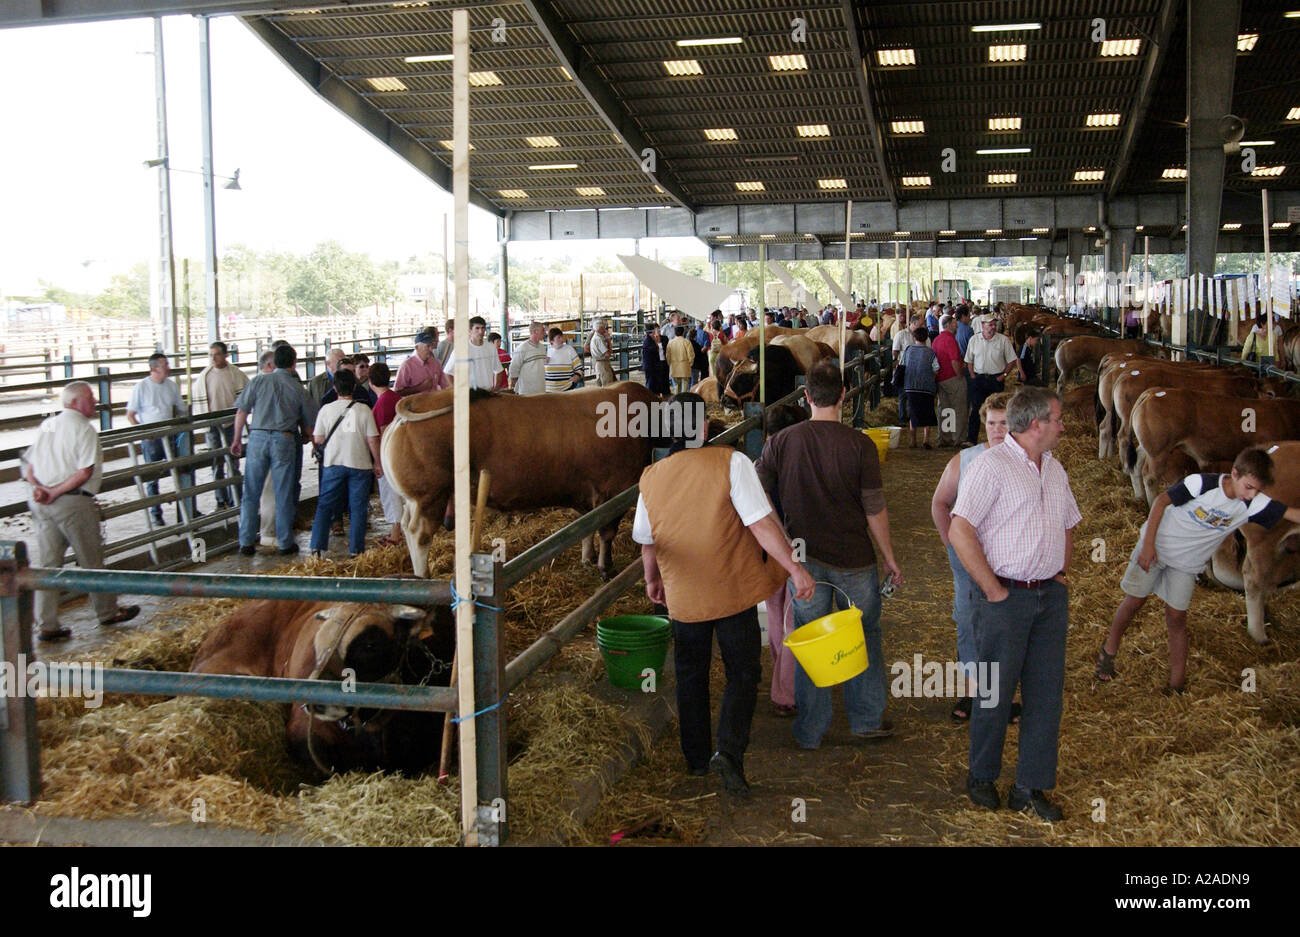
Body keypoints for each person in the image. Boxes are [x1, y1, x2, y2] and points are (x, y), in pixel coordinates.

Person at [634, 393, 815, 796]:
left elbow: (648, 542)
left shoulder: (651, 477)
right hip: (732, 591)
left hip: (684, 595)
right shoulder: (730, 462)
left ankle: (696, 759)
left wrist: (653, 581)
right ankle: (729, 752)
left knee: (690, 675)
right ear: (701, 428)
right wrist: (796, 568)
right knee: (743, 673)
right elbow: (761, 525)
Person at [756, 360, 903, 748]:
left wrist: (781, 535)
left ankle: (811, 729)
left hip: (803, 560)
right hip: (855, 558)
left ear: (806, 396)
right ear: (843, 394)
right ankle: (867, 719)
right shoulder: (860, 445)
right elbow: (874, 508)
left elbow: (756, 493)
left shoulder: (781, 443)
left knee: (810, 639)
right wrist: (889, 556)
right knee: (864, 634)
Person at [949, 387, 1080, 821]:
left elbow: (1067, 523)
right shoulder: (991, 466)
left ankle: (1030, 787)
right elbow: (960, 530)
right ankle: (982, 775)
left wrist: (1060, 573)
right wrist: (992, 589)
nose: (1063, 426)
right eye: (1058, 418)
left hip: (1049, 598)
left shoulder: (1055, 470)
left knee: (1046, 697)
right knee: (994, 693)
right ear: (1037, 423)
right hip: (1006, 597)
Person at [1098, 447, 1300, 694]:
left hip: (1186, 564)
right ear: (1234, 473)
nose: (1251, 495)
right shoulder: (1201, 484)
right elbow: (1162, 501)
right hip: (1157, 548)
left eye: (1257, 490)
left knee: (1177, 618)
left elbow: (1291, 513)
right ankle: (1108, 653)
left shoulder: (1253, 504)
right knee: (1134, 602)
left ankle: (1176, 685)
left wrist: (1254, 497)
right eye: (1248, 487)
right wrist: (1148, 545)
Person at [23, 381, 140, 642]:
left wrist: (40, 489)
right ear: (75, 402)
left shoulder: (47, 425)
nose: (96, 401)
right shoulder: (83, 429)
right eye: (90, 398)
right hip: (73, 502)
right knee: (91, 560)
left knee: (48, 564)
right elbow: (84, 471)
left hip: (43, 504)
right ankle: (107, 612)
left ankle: (46, 624)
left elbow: (29, 466)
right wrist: (54, 492)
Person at [930, 392, 1012, 721]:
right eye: (991, 423)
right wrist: (950, 543)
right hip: (970, 558)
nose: (997, 430)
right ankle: (971, 692)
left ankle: (1003, 695)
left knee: (1006, 625)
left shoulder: (1025, 462)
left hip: (1009, 561)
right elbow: (939, 503)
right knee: (968, 621)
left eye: (1004, 422)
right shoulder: (964, 461)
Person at [231, 343, 312, 557]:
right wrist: (307, 437)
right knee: (283, 492)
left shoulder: (258, 381)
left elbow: (241, 411)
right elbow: (308, 425)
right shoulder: (297, 389)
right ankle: (285, 542)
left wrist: (237, 438)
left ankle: (246, 541)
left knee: (251, 491)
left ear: (274, 362)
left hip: (257, 437)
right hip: (284, 438)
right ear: (294, 364)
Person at [309, 370, 382, 558]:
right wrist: (378, 463)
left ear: (335, 388)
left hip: (333, 463)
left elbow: (318, 438)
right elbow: (373, 440)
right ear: (355, 387)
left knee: (325, 504)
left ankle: (317, 546)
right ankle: (356, 550)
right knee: (358, 508)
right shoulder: (364, 410)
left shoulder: (326, 409)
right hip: (360, 464)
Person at [127, 352, 197, 526]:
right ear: (154, 368)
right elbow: (131, 414)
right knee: (153, 477)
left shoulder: (171, 386)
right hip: (152, 437)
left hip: (170, 435)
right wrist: (143, 433)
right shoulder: (141, 387)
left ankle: (187, 508)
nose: (168, 367)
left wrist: (187, 415)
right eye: (164, 364)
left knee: (181, 470)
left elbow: (181, 408)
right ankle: (156, 513)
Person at [190, 340, 249, 509]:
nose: (213, 358)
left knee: (233, 462)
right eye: (210, 355)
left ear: (225, 355)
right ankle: (220, 500)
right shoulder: (204, 377)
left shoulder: (235, 374)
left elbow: (246, 394)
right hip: (213, 425)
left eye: (216, 354)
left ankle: (236, 498)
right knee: (217, 463)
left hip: (231, 423)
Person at [963, 314, 1023, 447]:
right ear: (982, 325)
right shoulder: (974, 340)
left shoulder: (1003, 340)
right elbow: (969, 360)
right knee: (976, 409)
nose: (993, 327)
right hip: (978, 378)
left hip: (995, 379)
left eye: (994, 324)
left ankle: (1001, 440)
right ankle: (971, 439)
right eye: (990, 324)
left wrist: (1004, 375)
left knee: (998, 409)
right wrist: (972, 375)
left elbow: (1012, 360)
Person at [370, 362, 405, 546]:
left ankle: (395, 533)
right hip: (400, 451)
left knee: (390, 492)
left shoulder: (383, 402)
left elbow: (384, 431)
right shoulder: (395, 397)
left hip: (388, 453)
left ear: (370, 381)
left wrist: (380, 461)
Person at [900, 326, 940, 448]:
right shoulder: (930, 352)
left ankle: (913, 440)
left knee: (913, 412)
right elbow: (936, 369)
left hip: (911, 386)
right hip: (927, 388)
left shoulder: (908, 350)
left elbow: (902, 365)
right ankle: (926, 439)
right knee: (927, 412)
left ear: (914, 337)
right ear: (926, 338)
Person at [933, 314, 968, 448]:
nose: (957, 325)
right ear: (948, 325)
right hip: (952, 378)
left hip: (940, 378)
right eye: (954, 323)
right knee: (959, 408)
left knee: (945, 408)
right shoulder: (950, 340)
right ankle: (957, 438)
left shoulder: (936, 340)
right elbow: (954, 360)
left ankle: (945, 437)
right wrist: (959, 374)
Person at [445, 315, 502, 390]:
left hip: (487, 393)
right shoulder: (461, 349)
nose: (481, 331)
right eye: (477, 328)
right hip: (470, 394)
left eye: (483, 328)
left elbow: (499, 370)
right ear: (469, 331)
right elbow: (448, 372)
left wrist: (495, 388)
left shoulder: (491, 348)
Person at [394, 328, 450, 398]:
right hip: (416, 406)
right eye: (427, 346)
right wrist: (419, 388)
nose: (431, 349)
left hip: (434, 404)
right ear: (417, 347)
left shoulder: (435, 363)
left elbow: (445, 386)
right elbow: (397, 392)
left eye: (431, 345)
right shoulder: (407, 366)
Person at [509, 322, 549, 395]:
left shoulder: (542, 347)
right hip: (526, 391)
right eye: (543, 330)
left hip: (541, 389)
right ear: (535, 332)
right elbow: (514, 369)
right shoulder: (522, 347)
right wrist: (516, 385)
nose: (545, 333)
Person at [544, 328, 582, 392]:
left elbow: (579, 368)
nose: (562, 339)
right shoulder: (545, 352)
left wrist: (576, 378)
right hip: (549, 390)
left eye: (562, 337)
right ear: (551, 340)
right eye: (558, 338)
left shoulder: (569, 349)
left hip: (567, 388)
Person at [641, 323, 669, 394]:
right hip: (652, 367)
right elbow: (654, 351)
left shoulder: (663, 339)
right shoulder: (648, 340)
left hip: (659, 365)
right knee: (652, 386)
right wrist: (657, 343)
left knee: (661, 385)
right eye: (655, 329)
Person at [666, 325, 694, 394]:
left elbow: (668, 356)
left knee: (676, 387)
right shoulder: (686, 342)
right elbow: (691, 355)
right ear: (683, 332)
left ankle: (676, 402)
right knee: (684, 388)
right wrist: (689, 364)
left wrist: (670, 364)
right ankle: (683, 402)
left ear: (675, 333)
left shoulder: (670, 342)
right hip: (685, 367)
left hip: (674, 367)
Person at [589, 317, 616, 387]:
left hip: (600, 363)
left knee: (603, 384)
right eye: (603, 327)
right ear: (600, 328)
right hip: (602, 364)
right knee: (608, 385)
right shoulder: (599, 339)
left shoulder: (598, 337)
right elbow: (607, 354)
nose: (605, 328)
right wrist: (609, 340)